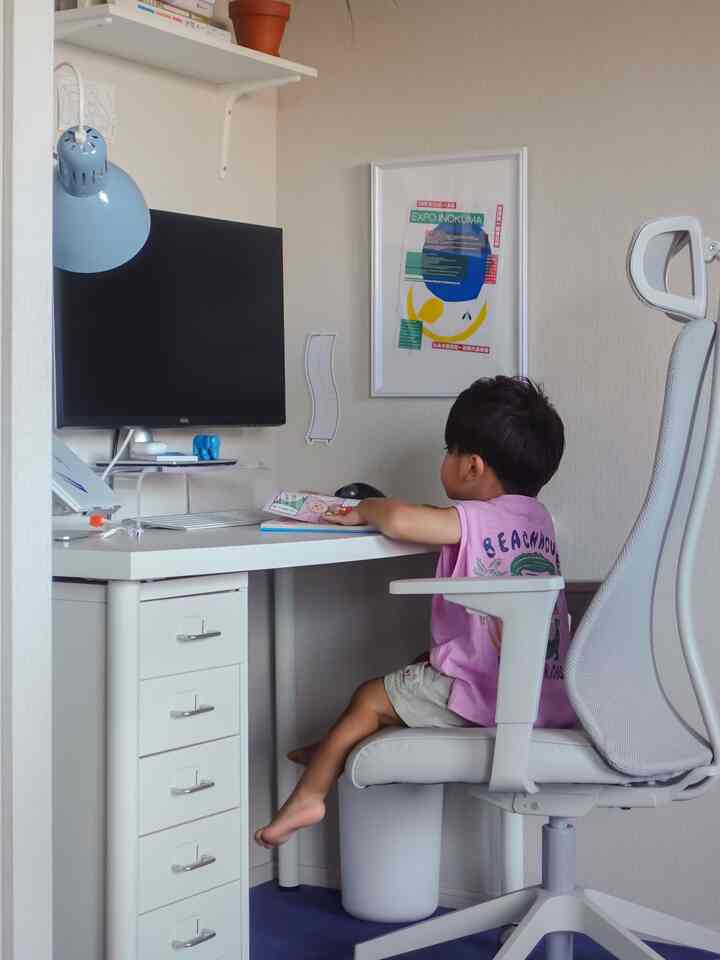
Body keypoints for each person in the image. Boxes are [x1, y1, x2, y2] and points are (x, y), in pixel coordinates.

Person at [255, 376, 575, 849]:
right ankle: (330, 750)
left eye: (449, 451)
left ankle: (310, 796)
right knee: (418, 666)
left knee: (369, 698)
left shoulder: (471, 519)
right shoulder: (537, 519)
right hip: (542, 691)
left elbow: (402, 520)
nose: (444, 460)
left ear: (472, 466)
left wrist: (367, 506)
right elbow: (448, 523)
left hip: (487, 693)